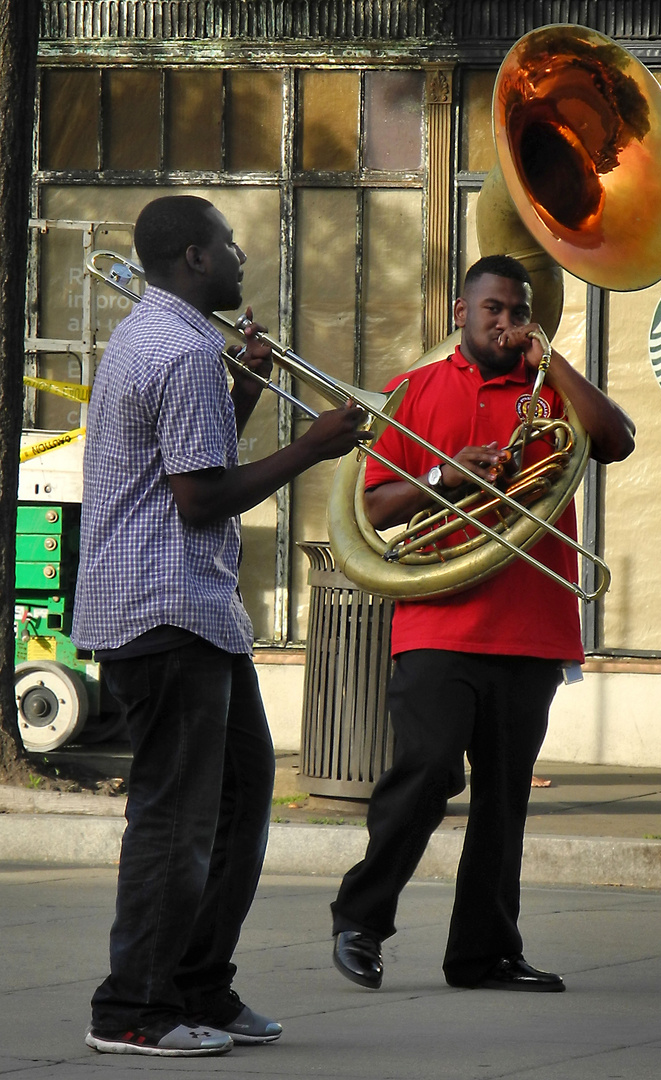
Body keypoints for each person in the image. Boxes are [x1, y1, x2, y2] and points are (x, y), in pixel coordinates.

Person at [72, 194, 365, 1057]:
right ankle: (133, 1008)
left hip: (187, 611)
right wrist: (311, 447)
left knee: (237, 805)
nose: (241, 258)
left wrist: (242, 391)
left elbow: (184, 465)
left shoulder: (167, 341)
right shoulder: (181, 349)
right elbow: (199, 502)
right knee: (177, 820)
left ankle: (198, 985)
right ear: (196, 260)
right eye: (230, 246)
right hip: (168, 613)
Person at [330, 254, 635, 993]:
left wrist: (554, 362)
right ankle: (361, 919)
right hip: (438, 620)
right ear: (460, 315)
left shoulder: (550, 390)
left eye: (518, 310)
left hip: (531, 626)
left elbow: (616, 439)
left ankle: (484, 953)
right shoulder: (415, 390)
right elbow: (368, 510)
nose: (506, 321)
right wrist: (446, 476)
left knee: (505, 799)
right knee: (428, 771)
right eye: (493, 309)